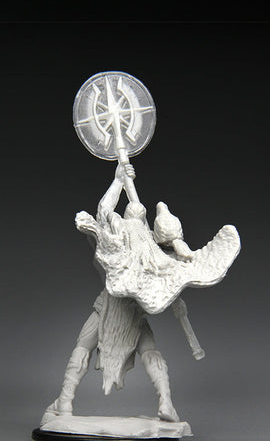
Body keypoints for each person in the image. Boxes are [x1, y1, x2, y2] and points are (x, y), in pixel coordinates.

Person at [45, 163, 193, 423]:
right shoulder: (152, 245)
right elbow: (171, 275)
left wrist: (117, 181)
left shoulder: (118, 230)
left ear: (125, 215)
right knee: (150, 351)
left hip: (109, 306)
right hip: (134, 311)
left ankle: (65, 402)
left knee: (83, 345)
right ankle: (166, 401)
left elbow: (104, 210)